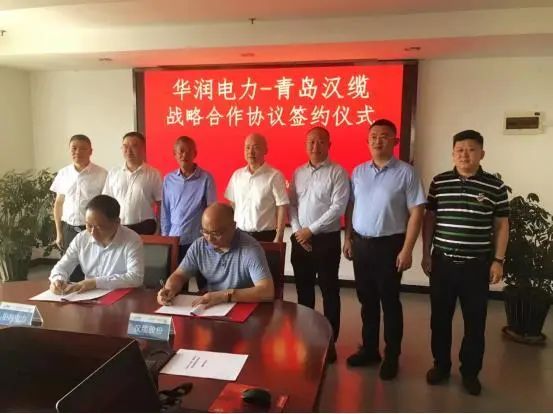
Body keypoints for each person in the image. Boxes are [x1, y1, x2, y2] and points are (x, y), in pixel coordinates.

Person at [421, 129, 509, 396]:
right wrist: (426, 253)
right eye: (459, 150)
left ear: (482, 153)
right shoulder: (439, 182)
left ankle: (470, 373)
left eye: (471, 150)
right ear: (452, 154)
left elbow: (502, 225)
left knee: (475, 323)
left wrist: (498, 261)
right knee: (439, 319)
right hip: (443, 263)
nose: (464, 155)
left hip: (476, 266)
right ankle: (441, 366)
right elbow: (430, 220)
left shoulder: (495, 186)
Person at [343, 119, 426, 380]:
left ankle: (392, 356)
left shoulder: (407, 173)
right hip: (361, 244)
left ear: (395, 141)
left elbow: (417, 213)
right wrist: (348, 238)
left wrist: (407, 249)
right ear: (367, 142)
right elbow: (351, 206)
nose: (378, 141)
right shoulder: (358, 172)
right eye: (373, 137)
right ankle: (370, 349)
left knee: (389, 302)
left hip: (390, 246)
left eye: (384, 136)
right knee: (366, 301)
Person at [289, 126, 349, 352]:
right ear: (306, 145)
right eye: (311, 142)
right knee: (303, 292)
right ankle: (306, 338)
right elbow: (292, 205)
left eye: (321, 142)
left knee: (329, 292)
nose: (315, 146)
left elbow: (338, 207)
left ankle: (329, 344)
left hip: (326, 240)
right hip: (300, 240)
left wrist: (310, 230)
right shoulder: (298, 172)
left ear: (329, 145)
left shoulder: (338, 172)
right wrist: (298, 232)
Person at [157, 203, 274, 307]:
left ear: (233, 226)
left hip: (242, 307)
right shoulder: (199, 245)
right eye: (205, 232)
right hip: (210, 307)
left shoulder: (250, 248)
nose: (210, 239)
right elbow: (179, 275)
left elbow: (267, 291)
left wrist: (224, 296)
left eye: (216, 233)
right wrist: (169, 289)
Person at [49, 195, 144, 294]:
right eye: (89, 225)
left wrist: (95, 283)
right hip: (88, 296)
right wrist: (57, 280)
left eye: (99, 227)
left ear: (117, 222)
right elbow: (62, 267)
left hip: (121, 296)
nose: (93, 232)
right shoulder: (81, 239)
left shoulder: (132, 240)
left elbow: (135, 277)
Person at [161, 136, 216, 289]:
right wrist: (165, 238)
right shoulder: (168, 179)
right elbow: (165, 211)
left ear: (195, 154)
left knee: (203, 284)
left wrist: (210, 239)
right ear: (175, 154)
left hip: (198, 240)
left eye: (188, 151)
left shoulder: (206, 178)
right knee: (177, 284)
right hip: (174, 240)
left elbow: (211, 210)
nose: (184, 155)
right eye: (181, 151)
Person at [50, 134, 107, 282]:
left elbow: (104, 205)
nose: (77, 152)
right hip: (69, 229)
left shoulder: (102, 174)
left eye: (83, 148)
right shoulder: (63, 173)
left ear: (90, 151)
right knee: (71, 270)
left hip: (92, 230)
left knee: (93, 268)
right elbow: (59, 203)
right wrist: (59, 232)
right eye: (74, 148)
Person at [224, 133, 289, 242]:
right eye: (247, 147)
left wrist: (280, 235)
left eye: (256, 147)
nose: (251, 152)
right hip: (240, 235)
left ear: (265, 150)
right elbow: (232, 204)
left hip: (265, 236)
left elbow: (282, 206)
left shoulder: (275, 176)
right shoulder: (237, 175)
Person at [102, 131, 162, 235]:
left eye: (134, 146)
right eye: (125, 146)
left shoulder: (154, 174)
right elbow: (106, 201)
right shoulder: (113, 173)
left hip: (145, 226)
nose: (129, 151)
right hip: (118, 227)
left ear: (143, 149)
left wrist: (159, 229)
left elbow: (161, 204)